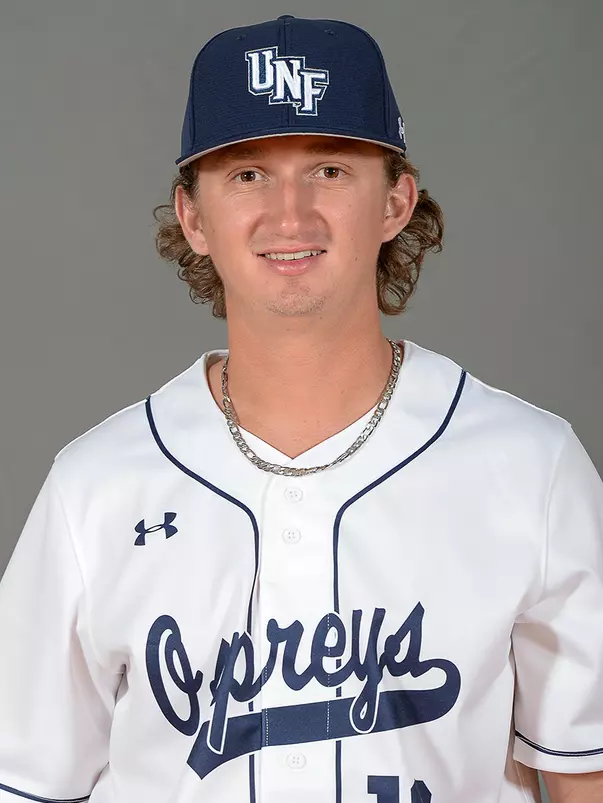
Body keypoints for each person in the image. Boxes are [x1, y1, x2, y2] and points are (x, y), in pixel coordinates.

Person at [0, 13, 602, 803]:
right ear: (192, 217)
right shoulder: (96, 487)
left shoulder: (531, 467)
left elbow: (582, 773)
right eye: (247, 174)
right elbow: (27, 781)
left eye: (328, 169)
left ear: (395, 202)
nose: (290, 216)